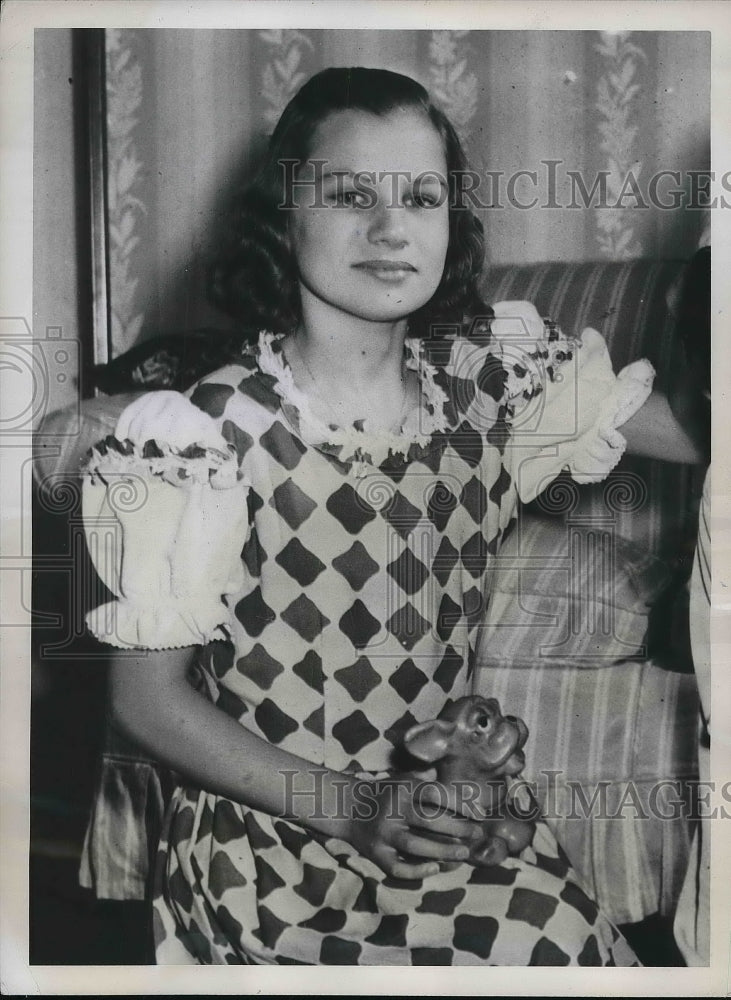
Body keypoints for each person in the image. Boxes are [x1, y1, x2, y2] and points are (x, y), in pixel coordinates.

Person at [81, 67, 701, 966]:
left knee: (559, 944)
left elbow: (697, 432)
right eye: (348, 196)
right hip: (273, 852)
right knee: (538, 943)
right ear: (281, 215)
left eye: (420, 196)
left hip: (444, 826)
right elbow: (143, 701)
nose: (389, 227)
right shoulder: (207, 431)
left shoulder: (491, 384)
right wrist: (352, 807)